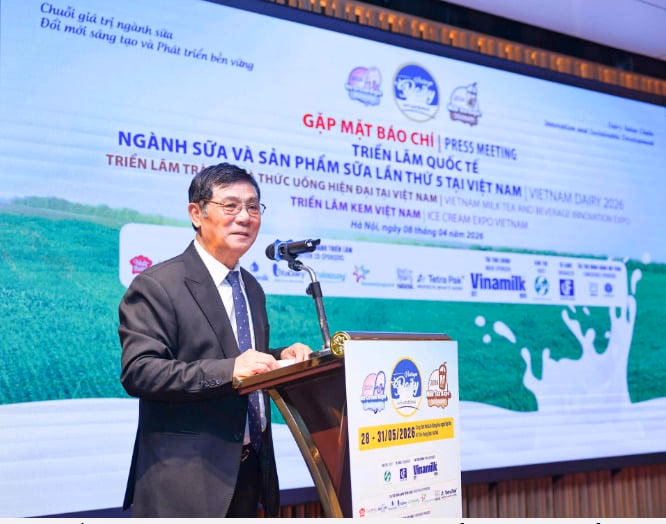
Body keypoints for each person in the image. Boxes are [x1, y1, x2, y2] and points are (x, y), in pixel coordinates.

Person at [118, 162, 312, 517]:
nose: (245, 217)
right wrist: (231, 370)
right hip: (186, 482)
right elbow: (140, 371)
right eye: (231, 206)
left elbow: (235, 353)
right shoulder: (158, 285)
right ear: (197, 213)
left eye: (253, 207)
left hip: (249, 473)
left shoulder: (250, 287)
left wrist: (279, 356)